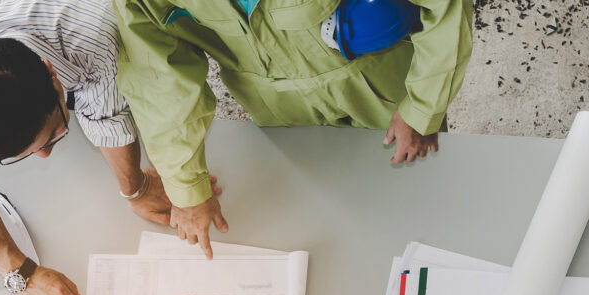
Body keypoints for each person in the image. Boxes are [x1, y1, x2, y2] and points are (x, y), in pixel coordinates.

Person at [0, 0, 218, 295]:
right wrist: (22, 274)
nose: (45, 155)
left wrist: (136, 188)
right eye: (23, 155)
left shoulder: (91, 33)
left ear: (53, 76)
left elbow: (108, 116)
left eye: (54, 134)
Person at [114, 0, 474, 258]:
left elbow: (446, 6)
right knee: (324, 229)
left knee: (425, 216)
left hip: (381, 87)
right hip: (277, 110)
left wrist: (422, 107)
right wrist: (186, 186)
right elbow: (157, 77)